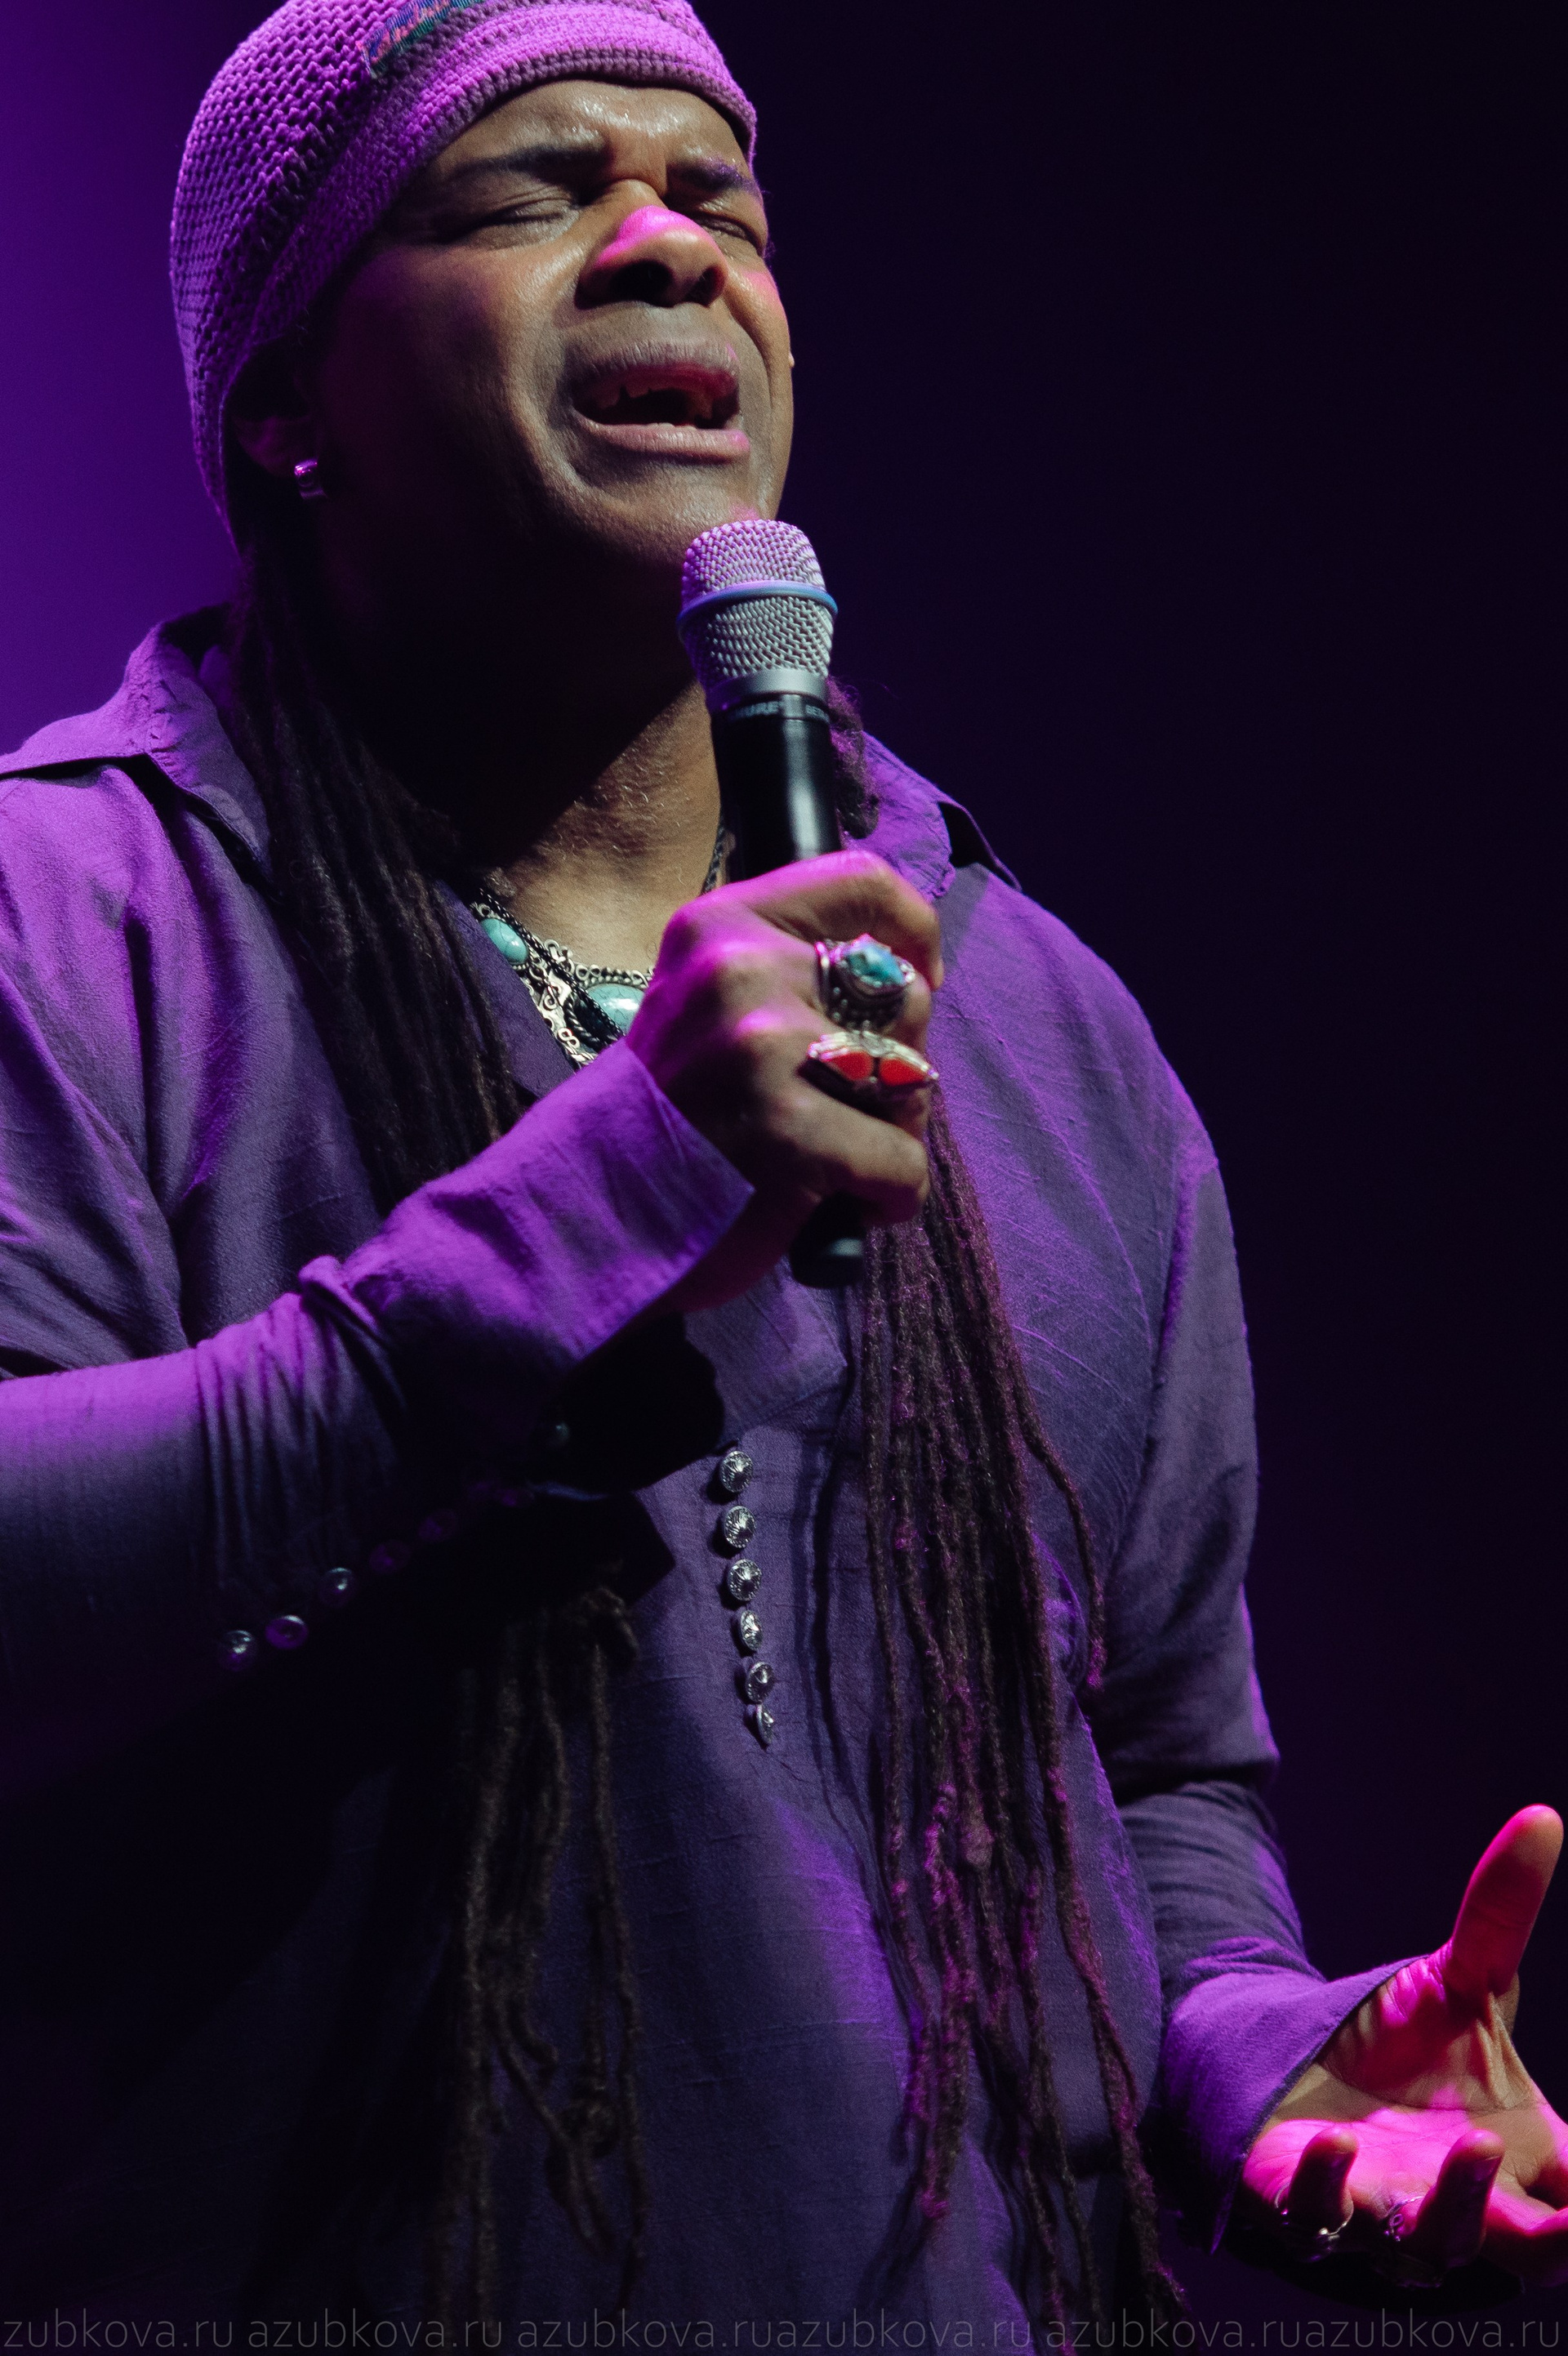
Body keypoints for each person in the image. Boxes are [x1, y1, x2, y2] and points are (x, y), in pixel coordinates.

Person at [0, 0, 1564, 2335]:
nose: (670, 244)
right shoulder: (70, 922)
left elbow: (1156, 1776)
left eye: (718, 197)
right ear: (286, 404)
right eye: (534, 188)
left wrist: (1258, 2058)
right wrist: (591, 1204)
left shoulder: (1029, 1013)